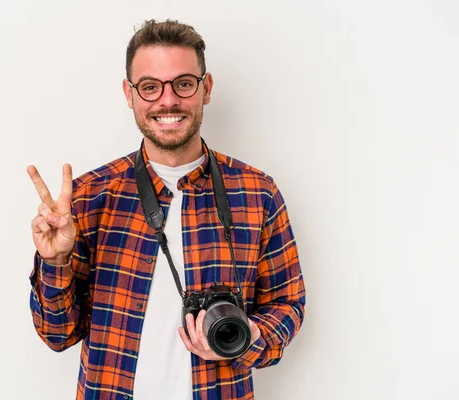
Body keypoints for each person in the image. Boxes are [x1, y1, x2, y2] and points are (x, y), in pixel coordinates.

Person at [27, 19, 305, 400]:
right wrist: (55, 263)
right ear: (130, 93)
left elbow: (287, 303)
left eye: (184, 84)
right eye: (150, 87)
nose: (168, 100)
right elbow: (58, 336)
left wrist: (254, 337)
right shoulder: (89, 197)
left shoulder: (258, 193)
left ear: (205, 89)